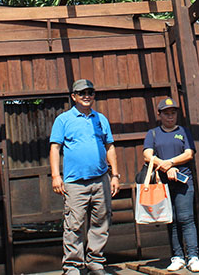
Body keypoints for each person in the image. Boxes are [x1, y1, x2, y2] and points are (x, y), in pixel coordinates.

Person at [50, 79, 121, 275]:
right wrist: (56, 176)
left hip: (100, 180)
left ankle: (95, 262)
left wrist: (114, 175)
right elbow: (55, 148)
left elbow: (110, 147)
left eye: (90, 92)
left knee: (102, 221)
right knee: (74, 224)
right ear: (74, 96)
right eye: (82, 93)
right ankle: (72, 266)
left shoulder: (101, 119)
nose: (87, 96)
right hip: (74, 183)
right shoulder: (63, 120)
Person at [143, 98, 199, 272]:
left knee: (187, 218)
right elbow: (147, 155)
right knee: (172, 219)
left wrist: (171, 163)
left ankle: (193, 256)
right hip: (162, 183)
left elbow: (189, 153)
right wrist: (164, 165)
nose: (170, 117)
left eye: (173, 113)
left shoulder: (184, 131)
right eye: (166, 113)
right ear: (159, 114)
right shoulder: (153, 133)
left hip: (183, 182)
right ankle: (177, 256)